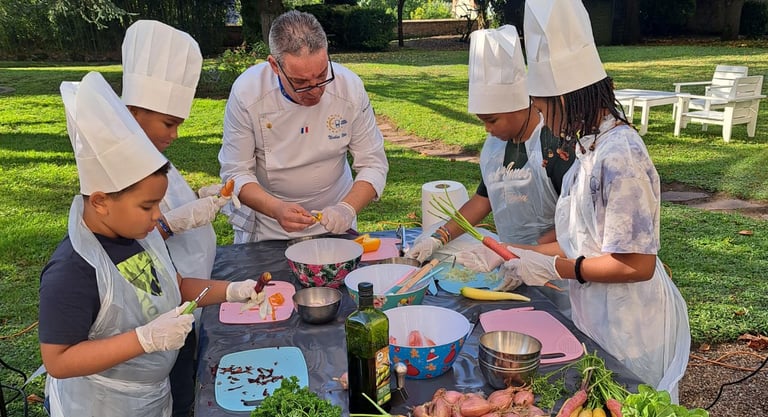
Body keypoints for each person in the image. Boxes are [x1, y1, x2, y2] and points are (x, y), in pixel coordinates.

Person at [461, 0, 691, 401]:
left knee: (631, 402)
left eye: (544, 107)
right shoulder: (588, 148)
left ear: (564, 99)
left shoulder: (621, 155)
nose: (544, 120)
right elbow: (582, 238)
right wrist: (519, 254)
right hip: (596, 315)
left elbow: (636, 264)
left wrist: (558, 266)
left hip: (630, 322)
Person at [39, 71, 264, 417]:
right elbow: (58, 360)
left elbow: (178, 286)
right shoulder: (72, 270)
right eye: (147, 207)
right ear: (100, 201)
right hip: (101, 405)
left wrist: (233, 290)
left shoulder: (141, 237)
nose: (158, 217)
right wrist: (143, 340)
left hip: (152, 397)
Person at [407, 25, 573, 312]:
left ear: (520, 104)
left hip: (556, 272)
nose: (487, 128)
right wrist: (439, 237)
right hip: (508, 263)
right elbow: (483, 199)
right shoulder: (495, 145)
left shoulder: (554, 147)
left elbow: (575, 232)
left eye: (492, 120)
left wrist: (520, 253)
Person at [120, 19, 227, 417]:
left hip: (184, 296)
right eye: (169, 123)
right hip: (156, 321)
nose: (176, 134)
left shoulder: (149, 153)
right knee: (180, 395)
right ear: (133, 112)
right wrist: (171, 223)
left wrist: (197, 198)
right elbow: (129, 252)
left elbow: (165, 197)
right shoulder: (119, 170)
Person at [218, 10, 389, 242]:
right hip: (269, 226)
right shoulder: (248, 93)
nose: (315, 89)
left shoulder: (350, 88)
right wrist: (276, 209)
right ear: (274, 66)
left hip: (336, 220)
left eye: (321, 75)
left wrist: (347, 209)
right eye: (300, 82)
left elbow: (374, 163)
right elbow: (235, 172)